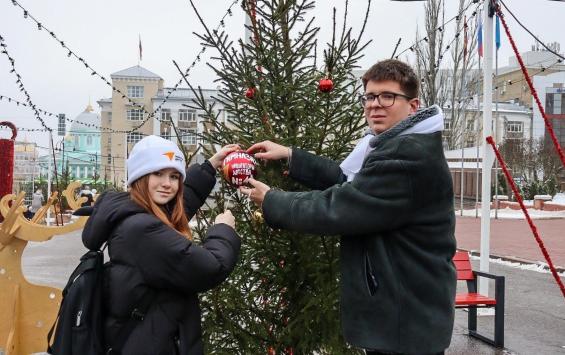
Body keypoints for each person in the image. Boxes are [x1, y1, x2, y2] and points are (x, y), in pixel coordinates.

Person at [242, 59, 456, 355]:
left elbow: (340, 207)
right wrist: (292, 156)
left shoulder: (409, 158)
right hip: (403, 312)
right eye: (369, 96)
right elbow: (349, 181)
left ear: (413, 105)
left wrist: (272, 201)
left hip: (405, 320)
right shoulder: (389, 146)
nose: (375, 105)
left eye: (387, 96)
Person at [82, 135, 241, 354]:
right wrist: (224, 230)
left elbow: (178, 207)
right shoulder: (143, 230)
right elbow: (211, 267)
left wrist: (209, 166)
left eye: (175, 176)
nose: (167, 184)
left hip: (143, 340)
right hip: (151, 344)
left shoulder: (132, 211)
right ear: (140, 176)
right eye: (158, 173)